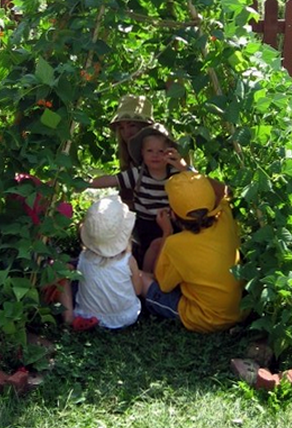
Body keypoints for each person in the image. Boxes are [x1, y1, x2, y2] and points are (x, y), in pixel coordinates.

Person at [140, 170, 245, 333]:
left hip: (207, 319)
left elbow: (163, 285)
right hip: (240, 311)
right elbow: (225, 191)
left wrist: (166, 232)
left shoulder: (175, 244)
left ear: (173, 214)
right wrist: (186, 168)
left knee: (143, 279)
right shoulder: (225, 217)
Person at [90, 122, 190, 266]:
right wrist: (85, 183)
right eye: (150, 151)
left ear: (169, 153)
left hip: (170, 221)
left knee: (172, 249)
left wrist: (183, 167)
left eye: (161, 151)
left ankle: (165, 274)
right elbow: (112, 180)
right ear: (142, 153)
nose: (155, 155)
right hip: (145, 222)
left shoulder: (175, 174)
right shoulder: (138, 174)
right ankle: (147, 277)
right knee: (150, 249)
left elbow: (196, 181)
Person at [56, 194, 143, 331]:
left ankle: (69, 317)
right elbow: (138, 290)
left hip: (87, 314)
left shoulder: (84, 257)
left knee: (63, 271)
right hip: (125, 317)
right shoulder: (128, 260)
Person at [109, 94, 154, 172]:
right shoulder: (128, 160)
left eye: (132, 125)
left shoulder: (161, 156)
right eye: (121, 128)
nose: (127, 133)